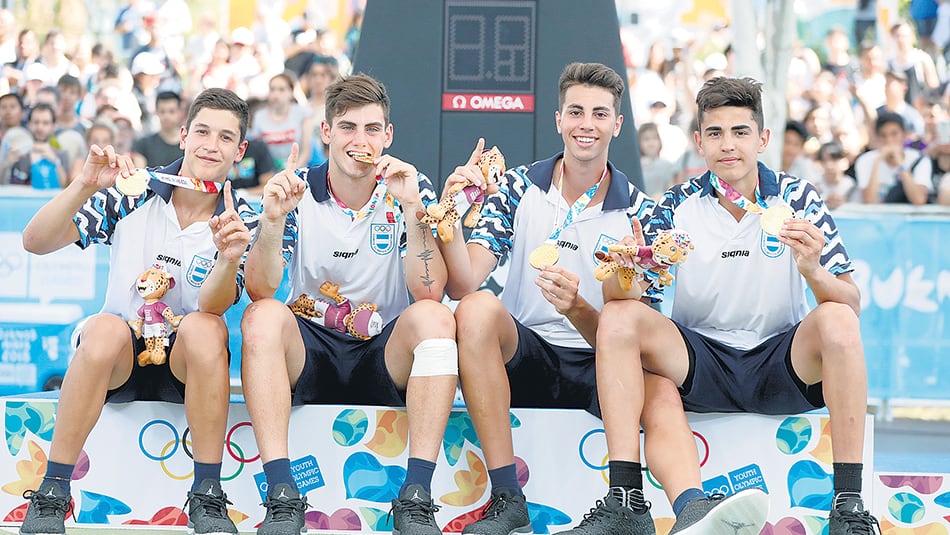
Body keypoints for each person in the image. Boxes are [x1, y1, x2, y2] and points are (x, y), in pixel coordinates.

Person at [437, 62, 765, 535]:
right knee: (475, 309)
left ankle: (689, 509)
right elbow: (464, 283)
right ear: (558, 120)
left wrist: (576, 308)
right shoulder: (515, 188)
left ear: (617, 124)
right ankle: (508, 498)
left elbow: (625, 334)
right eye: (576, 112)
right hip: (524, 356)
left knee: (658, 386)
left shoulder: (642, 213)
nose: (586, 124)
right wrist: (450, 216)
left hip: (600, 365)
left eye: (598, 113)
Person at [595, 76, 879, 535]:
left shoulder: (799, 199)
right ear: (699, 143)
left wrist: (813, 271)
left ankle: (848, 503)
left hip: (778, 361)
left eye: (740, 132)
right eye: (715, 133)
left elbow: (851, 303)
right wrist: (624, 270)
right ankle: (626, 501)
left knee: (838, 319)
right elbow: (627, 310)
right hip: (699, 362)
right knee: (619, 317)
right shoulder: (672, 205)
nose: (728, 145)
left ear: (763, 139)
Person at [17, 87, 259, 535]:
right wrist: (86, 183)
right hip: (120, 359)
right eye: (202, 131)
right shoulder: (135, 190)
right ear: (183, 135)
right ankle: (52, 492)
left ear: (241, 150)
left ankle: (207, 494)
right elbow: (35, 241)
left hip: (188, 365)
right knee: (105, 328)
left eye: (226, 138)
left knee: (207, 329)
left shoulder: (242, 215)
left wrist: (227, 258)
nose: (211, 145)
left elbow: (214, 305)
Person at [240, 73, 458, 535]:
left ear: (388, 136)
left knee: (437, 320)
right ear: (326, 133)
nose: (360, 141)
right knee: (262, 317)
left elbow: (428, 292)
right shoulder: (295, 189)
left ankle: (416, 497)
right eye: (348, 128)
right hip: (312, 347)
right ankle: (281, 494)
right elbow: (260, 289)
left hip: (383, 351)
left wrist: (415, 212)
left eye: (372, 129)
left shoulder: (408, 189)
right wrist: (273, 220)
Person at [855, 111, 933, 204]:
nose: (889, 140)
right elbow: (869, 201)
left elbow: (919, 200)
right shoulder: (865, 160)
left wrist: (901, 163)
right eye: (883, 136)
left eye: (894, 134)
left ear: (904, 135)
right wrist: (878, 161)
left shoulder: (920, 159)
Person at [131, 90, 185, 168]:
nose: (166, 116)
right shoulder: (143, 144)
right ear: (156, 112)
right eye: (162, 111)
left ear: (180, 112)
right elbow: (139, 174)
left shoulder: (189, 145)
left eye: (171, 111)